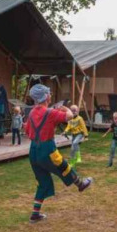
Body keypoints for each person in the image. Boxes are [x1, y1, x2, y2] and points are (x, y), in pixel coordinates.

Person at [24, 84, 93, 223]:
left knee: (42, 182)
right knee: (65, 167)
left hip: (33, 151)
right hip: (48, 149)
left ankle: (35, 214)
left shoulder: (31, 112)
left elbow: (27, 130)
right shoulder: (50, 112)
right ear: (45, 96)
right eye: (49, 93)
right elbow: (70, 116)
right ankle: (80, 184)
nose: (50, 95)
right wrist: (65, 108)